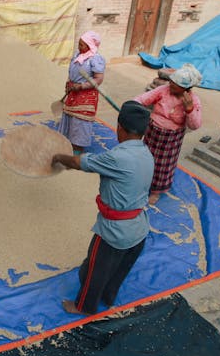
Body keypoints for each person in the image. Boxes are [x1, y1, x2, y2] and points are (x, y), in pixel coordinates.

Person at [52, 100, 153, 316]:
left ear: (120, 128)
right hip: (139, 229)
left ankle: (83, 306)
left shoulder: (117, 158)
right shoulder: (147, 153)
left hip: (115, 231)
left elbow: (80, 163)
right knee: (119, 270)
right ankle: (108, 298)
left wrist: (58, 157)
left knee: (94, 270)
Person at [133, 63, 203, 205]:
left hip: (171, 139)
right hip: (153, 132)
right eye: (171, 81)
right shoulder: (163, 90)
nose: (170, 85)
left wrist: (189, 109)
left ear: (186, 88)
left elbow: (195, 125)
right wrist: (132, 104)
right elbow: (143, 98)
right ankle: (141, 183)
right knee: (145, 158)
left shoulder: (193, 101)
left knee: (162, 166)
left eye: (175, 84)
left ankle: (155, 191)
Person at [57, 31, 106, 154]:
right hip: (73, 92)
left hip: (86, 95)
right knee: (69, 118)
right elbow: (71, 72)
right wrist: (68, 83)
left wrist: (82, 86)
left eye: (82, 45)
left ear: (90, 46)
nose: (79, 47)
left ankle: (77, 151)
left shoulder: (95, 59)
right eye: (79, 44)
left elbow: (98, 79)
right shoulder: (77, 56)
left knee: (80, 122)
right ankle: (67, 145)